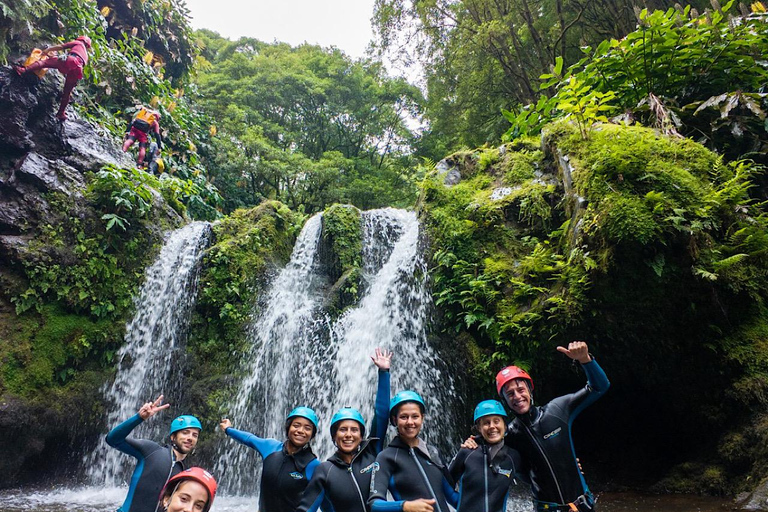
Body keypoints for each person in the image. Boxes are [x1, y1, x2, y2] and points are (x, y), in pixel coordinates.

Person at [496, 341, 609, 511]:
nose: (517, 396)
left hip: (581, 505)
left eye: (521, 390)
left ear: (530, 390)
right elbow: (518, 471)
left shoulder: (557, 410)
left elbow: (600, 387)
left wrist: (585, 359)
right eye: (510, 394)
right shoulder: (510, 435)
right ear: (504, 400)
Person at [297, 347, 393, 512]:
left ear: (361, 435)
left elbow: (382, 414)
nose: (348, 434)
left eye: (354, 430)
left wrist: (384, 373)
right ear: (334, 435)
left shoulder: (372, 452)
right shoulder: (325, 470)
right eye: (343, 430)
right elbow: (305, 508)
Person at [106, 394, 202, 512]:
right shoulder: (151, 451)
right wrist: (139, 418)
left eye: (194, 435)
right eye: (185, 432)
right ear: (173, 436)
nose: (190, 438)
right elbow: (113, 440)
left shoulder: (184, 473)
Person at [368, 390, 458, 512]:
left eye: (415, 416)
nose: (410, 422)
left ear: (422, 418)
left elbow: (453, 497)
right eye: (404, 417)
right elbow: (374, 505)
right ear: (395, 420)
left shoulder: (433, 452)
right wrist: (404, 506)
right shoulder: (386, 457)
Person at [220, 405, 320, 512]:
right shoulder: (271, 447)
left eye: (307, 428)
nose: (301, 430)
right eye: (296, 425)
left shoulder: (314, 465)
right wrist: (228, 429)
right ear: (288, 427)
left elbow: (318, 501)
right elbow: (249, 439)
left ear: (312, 434)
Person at [449, 400, 525, 512]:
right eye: (486, 423)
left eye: (496, 421)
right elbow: (444, 483)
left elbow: (534, 479)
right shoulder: (467, 452)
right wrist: (459, 503)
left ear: (504, 425)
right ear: (479, 428)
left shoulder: (513, 457)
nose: (492, 426)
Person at [13, 35, 92, 121]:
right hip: (77, 70)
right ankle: (61, 113)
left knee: (45, 62)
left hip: (71, 60)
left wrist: (48, 50)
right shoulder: (85, 55)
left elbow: (61, 46)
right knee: (67, 92)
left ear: (81, 39)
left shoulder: (78, 43)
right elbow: (77, 66)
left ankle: (23, 70)